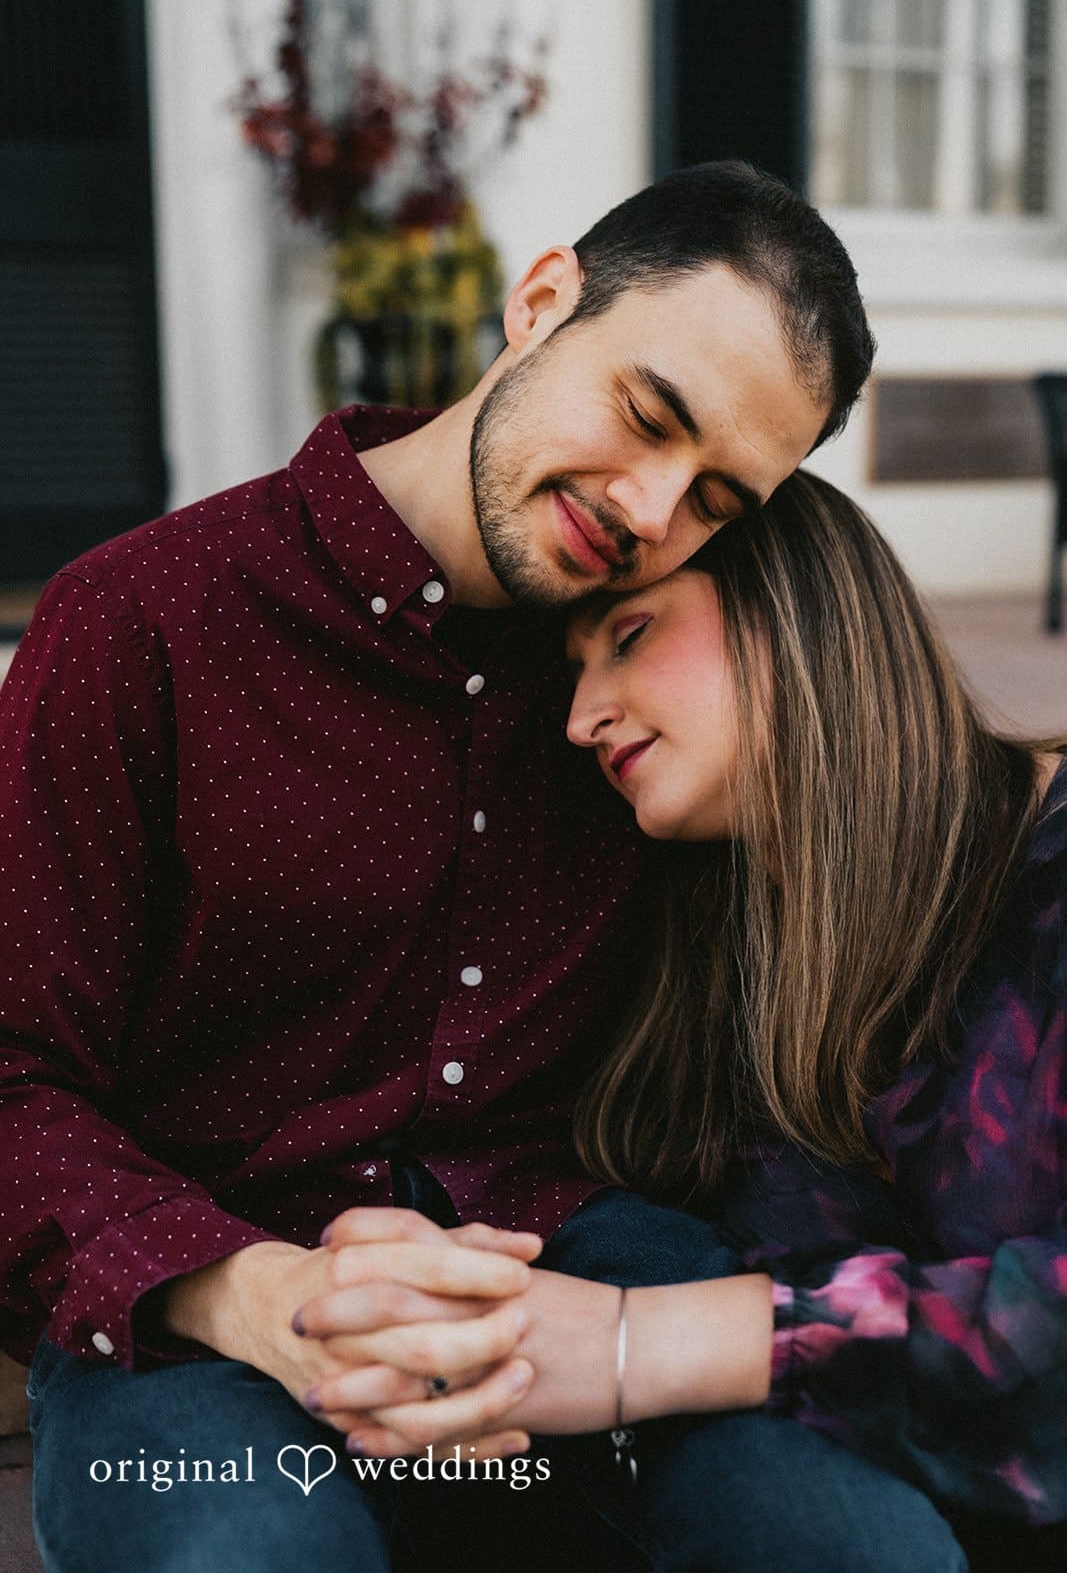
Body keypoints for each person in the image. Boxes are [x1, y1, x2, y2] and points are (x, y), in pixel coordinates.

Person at [2, 163, 873, 1571]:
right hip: (205, 1312)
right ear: (539, 303)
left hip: (575, 1272)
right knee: (244, 1557)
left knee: (842, 1539)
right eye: (646, 414)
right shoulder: (139, 619)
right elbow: (13, 1072)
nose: (649, 509)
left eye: (715, 496)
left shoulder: (641, 685)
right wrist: (256, 1296)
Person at [320, 472, 1066, 1571]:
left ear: (798, 610)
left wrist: (639, 1342)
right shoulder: (733, 945)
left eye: (627, 637)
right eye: (573, 676)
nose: (579, 719)